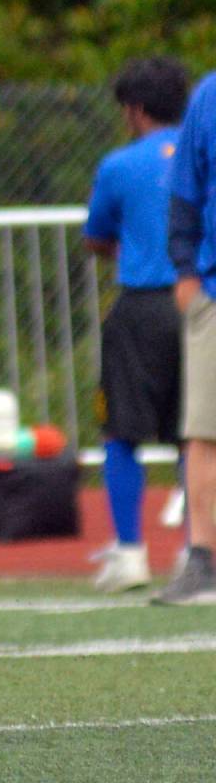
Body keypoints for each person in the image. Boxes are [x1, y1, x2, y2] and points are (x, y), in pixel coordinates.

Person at [80, 58, 188, 592]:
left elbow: (96, 236)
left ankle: (130, 552)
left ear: (135, 110)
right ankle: (199, 551)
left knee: (121, 431)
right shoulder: (203, 159)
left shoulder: (120, 165)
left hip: (141, 306)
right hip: (199, 301)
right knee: (196, 434)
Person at [161, 68, 216, 604]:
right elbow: (186, 191)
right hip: (215, 288)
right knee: (205, 429)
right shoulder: (209, 94)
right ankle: (203, 557)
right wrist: (185, 271)